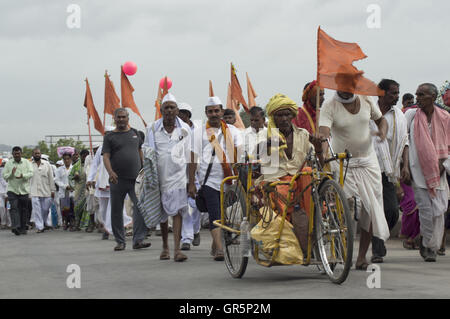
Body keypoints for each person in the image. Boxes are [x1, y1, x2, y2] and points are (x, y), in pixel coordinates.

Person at [319, 90, 390, 270]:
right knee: (347, 207)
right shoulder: (329, 105)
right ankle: (340, 251)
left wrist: (382, 132)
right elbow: (324, 133)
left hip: (368, 161)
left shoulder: (367, 99)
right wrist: (324, 150)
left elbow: (381, 120)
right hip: (342, 162)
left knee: (370, 208)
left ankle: (361, 257)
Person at [254, 94, 324, 255]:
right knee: (281, 197)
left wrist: (319, 148)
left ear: (293, 116)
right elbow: (256, 153)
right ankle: (290, 240)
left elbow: (317, 162)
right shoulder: (264, 135)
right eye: (280, 115)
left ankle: (312, 232)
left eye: (287, 114)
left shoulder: (303, 134)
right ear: (273, 117)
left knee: (309, 175)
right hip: (276, 181)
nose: (284, 118)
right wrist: (269, 144)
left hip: (301, 181)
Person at [188, 96, 243, 261]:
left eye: (216, 111)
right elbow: (193, 158)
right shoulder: (198, 133)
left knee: (227, 215)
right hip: (209, 181)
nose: (213, 114)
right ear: (206, 112)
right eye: (210, 111)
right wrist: (191, 182)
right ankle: (219, 249)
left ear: (221, 112)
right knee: (215, 214)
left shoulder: (233, 131)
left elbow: (239, 151)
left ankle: (215, 243)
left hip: (231, 180)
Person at [404, 83, 449, 262]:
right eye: (416, 95)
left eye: (421, 95)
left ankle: (426, 239)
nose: (418, 98)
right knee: (425, 210)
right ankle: (429, 246)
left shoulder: (445, 117)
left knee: (439, 210)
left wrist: (442, 164)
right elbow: (403, 142)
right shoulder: (412, 115)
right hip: (417, 169)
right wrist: (404, 166)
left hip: (440, 170)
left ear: (433, 96)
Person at [145, 94, 191, 261]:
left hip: (179, 178)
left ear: (177, 110)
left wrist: (192, 182)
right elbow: (146, 153)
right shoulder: (152, 129)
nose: (170, 110)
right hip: (159, 178)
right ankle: (165, 247)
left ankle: (177, 250)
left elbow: (191, 155)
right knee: (163, 215)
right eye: (167, 108)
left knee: (178, 212)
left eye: (173, 107)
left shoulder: (185, 129)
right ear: (161, 110)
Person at [369, 79, 410, 263]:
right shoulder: (368, 111)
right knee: (371, 210)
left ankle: (379, 236)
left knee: (392, 211)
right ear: (381, 92)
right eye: (393, 93)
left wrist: (405, 166)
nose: (396, 96)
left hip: (388, 170)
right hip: (368, 168)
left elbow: (404, 143)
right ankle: (377, 248)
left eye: (397, 92)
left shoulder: (399, 116)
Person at [103, 108, 150, 251]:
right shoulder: (109, 136)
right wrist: (110, 172)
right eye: (119, 117)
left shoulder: (135, 133)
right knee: (116, 211)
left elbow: (140, 151)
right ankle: (120, 241)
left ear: (128, 118)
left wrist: (143, 169)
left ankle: (138, 240)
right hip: (117, 179)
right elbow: (106, 156)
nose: (121, 120)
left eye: (124, 117)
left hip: (136, 179)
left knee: (140, 208)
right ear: (114, 119)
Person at [178, 102, 201, 250]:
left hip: (198, 171)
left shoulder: (199, 130)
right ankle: (186, 238)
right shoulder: (174, 130)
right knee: (183, 205)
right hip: (179, 172)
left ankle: (196, 230)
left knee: (197, 204)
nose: (179, 115)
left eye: (182, 113)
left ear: (187, 115)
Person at [2, 147, 34, 235]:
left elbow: (31, 173)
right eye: (15, 154)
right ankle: (15, 226)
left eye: (18, 153)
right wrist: (11, 174)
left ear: (21, 154)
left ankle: (23, 228)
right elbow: (4, 176)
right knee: (14, 208)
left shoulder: (27, 162)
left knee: (24, 209)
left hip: (24, 190)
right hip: (12, 190)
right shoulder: (8, 163)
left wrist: (23, 175)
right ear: (12, 154)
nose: (17, 155)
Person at [30, 148, 55, 233]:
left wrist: (52, 190)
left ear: (41, 154)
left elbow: (51, 178)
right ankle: (40, 227)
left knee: (45, 209)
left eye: (38, 153)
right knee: (37, 210)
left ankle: (44, 222)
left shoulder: (47, 164)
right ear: (33, 155)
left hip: (46, 190)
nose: (37, 155)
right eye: (35, 153)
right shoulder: (30, 165)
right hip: (34, 191)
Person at [69, 149, 90, 231]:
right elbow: (70, 177)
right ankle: (77, 224)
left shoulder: (90, 165)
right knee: (77, 207)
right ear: (81, 156)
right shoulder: (76, 166)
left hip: (88, 189)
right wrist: (75, 177)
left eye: (86, 156)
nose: (85, 158)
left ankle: (87, 225)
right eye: (83, 156)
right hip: (78, 189)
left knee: (88, 207)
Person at [55, 153, 74, 230]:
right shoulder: (59, 169)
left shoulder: (74, 168)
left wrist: (72, 186)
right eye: (65, 159)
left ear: (70, 159)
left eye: (68, 159)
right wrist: (65, 186)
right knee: (64, 208)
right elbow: (57, 180)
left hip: (72, 191)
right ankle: (65, 222)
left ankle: (72, 223)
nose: (66, 160)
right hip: (63, 191)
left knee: (72, 207)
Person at [0, 159, 11, 229]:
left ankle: (9, 223)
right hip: (0, 193)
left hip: (9, 193)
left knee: (8, 208)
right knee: (1, 207)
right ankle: (3, 222)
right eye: (3, 163)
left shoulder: (11, 171)